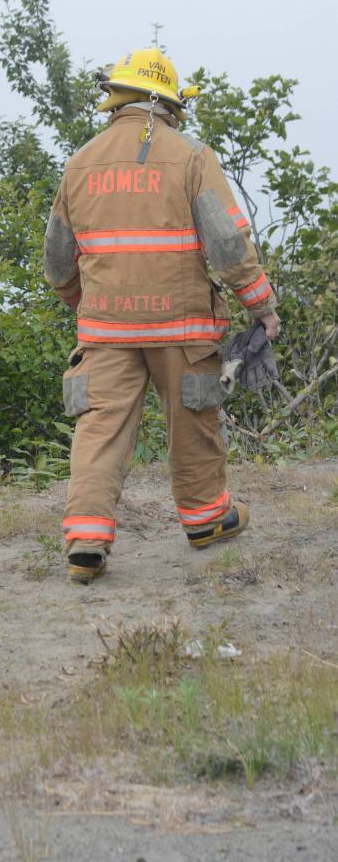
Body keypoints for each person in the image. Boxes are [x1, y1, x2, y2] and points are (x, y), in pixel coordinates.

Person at [44, 47, 280, 583]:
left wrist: (81, 299)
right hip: (183, 328)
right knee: (194, 421)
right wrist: (260, 306)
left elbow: (58, 260)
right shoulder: (192, 156)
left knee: (100, 428)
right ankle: (206, 520)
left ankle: (86, 540)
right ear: (168, 104)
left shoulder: (81, 162)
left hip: (105, 329)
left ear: (117, 100)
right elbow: (226, 243)